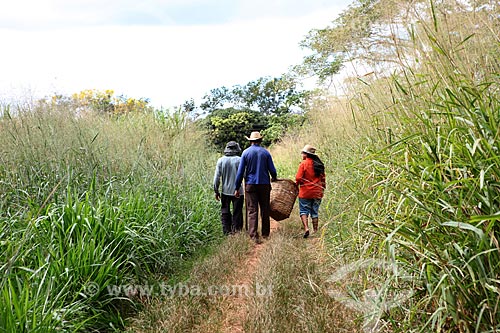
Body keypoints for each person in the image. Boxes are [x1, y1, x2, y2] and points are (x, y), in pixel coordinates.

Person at [234, 131, 277, 244]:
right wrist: (274, 177)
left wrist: (237, 187)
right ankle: (265, 234)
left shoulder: (245, 153)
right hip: (264, 184)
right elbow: (272, 170)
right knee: (265, 209)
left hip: (250, 184)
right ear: (260, 141)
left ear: (250, 141)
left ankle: (253, 235)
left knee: (252, 210)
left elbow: (240, 172)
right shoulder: (266, 153)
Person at [213, 141, 245, 235]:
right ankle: (237, 231)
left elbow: (216, 178)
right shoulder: (240, 160)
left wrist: (216, 190)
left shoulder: (221, 160)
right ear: (236, 149)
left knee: (225, 211)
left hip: (225, 191)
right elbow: (245, 175)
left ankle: (227, 232)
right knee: (237, 212)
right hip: (239, 191)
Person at [295, 144, 326, 238]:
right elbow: (323, 179)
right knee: (315, 211)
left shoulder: (303, 164)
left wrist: (296, 185)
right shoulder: (319, 164)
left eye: (303, 153)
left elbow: (298, 178)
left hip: (305, 192)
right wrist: (323, 189)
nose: (302, 155)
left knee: (304, 211)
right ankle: (316, 230)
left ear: (306, 154)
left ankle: (306, 228)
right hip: (317, 191)